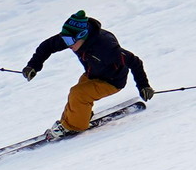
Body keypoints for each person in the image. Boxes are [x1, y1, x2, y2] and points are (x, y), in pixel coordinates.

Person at [22, 10, 154, 141]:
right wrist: (33, 65)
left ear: (83, 35)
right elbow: (47, 46)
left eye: (69, 41)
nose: (67, 45)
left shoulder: (106, 47)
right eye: (65, 39)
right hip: (92, 74)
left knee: (79, 94)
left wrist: (144, 86)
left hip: (112, 81)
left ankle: (74, 125)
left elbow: (134, 61)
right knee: (75, 94)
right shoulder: (72, 37)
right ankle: (72, 119)